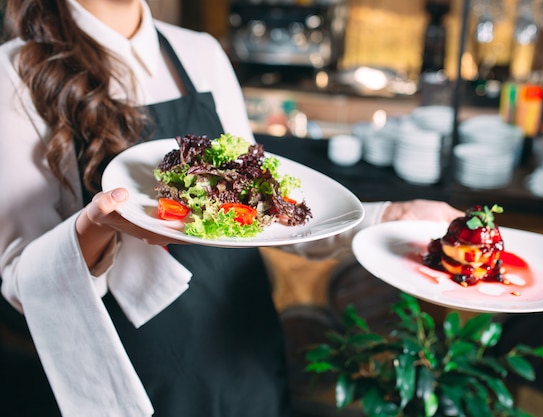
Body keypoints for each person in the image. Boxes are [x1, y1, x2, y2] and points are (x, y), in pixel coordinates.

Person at [0, 1, 463, 416]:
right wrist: (96, 227)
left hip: (244, 335)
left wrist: (388, 218)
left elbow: (265, 214)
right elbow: (23, 284)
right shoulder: (14, 73)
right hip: (142, 362)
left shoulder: (199, 53)